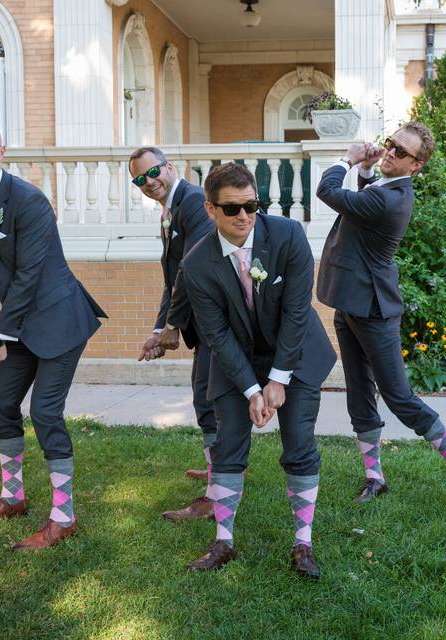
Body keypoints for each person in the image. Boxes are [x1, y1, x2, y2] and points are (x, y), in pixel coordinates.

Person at [0, 117, 106, 550]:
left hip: (58, 321)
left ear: (3, 151)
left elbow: (29, 275)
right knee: (0, 402)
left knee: (45, 412)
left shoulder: (30, 200)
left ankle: (63, 517)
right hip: (13, 326)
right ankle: (12, 498)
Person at [179, 162, 336, 579]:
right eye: (232, 209)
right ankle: (223, 541)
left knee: (300, 443)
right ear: (210, 210)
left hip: (295, 354)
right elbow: (216, 336)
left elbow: (297, 312)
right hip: (236, 360)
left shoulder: (288, 236)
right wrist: (252, 389)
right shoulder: (196, 265)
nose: (245, 216)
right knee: (228, 444)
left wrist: (278, 380)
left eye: (252, 204)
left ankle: (303, 543)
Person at [315, 122, 446, 508]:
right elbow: (360, 204)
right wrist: (368, 170)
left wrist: (349, 159)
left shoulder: (391, 200)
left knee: (399, 397)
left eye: (401, 152)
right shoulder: (384, 188)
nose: (391, 151)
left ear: (416, 165)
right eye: (391, 143)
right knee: (358, 390)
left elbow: (329, 191)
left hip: (373, 311)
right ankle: (375, 477)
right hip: (351, 302)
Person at [128, 147, 217, 522]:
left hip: (217, 320)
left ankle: (216, 495)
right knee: (209, 400)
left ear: (170, 167)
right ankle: (219, 472)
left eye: (153, 173)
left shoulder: (194, 201)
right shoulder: (171, 209)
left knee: (209, 402)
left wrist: (173, 326)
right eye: (139, 180)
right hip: (201, 320)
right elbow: (172, 277)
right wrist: (158, 327)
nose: (149, 183)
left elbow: (190, 270)